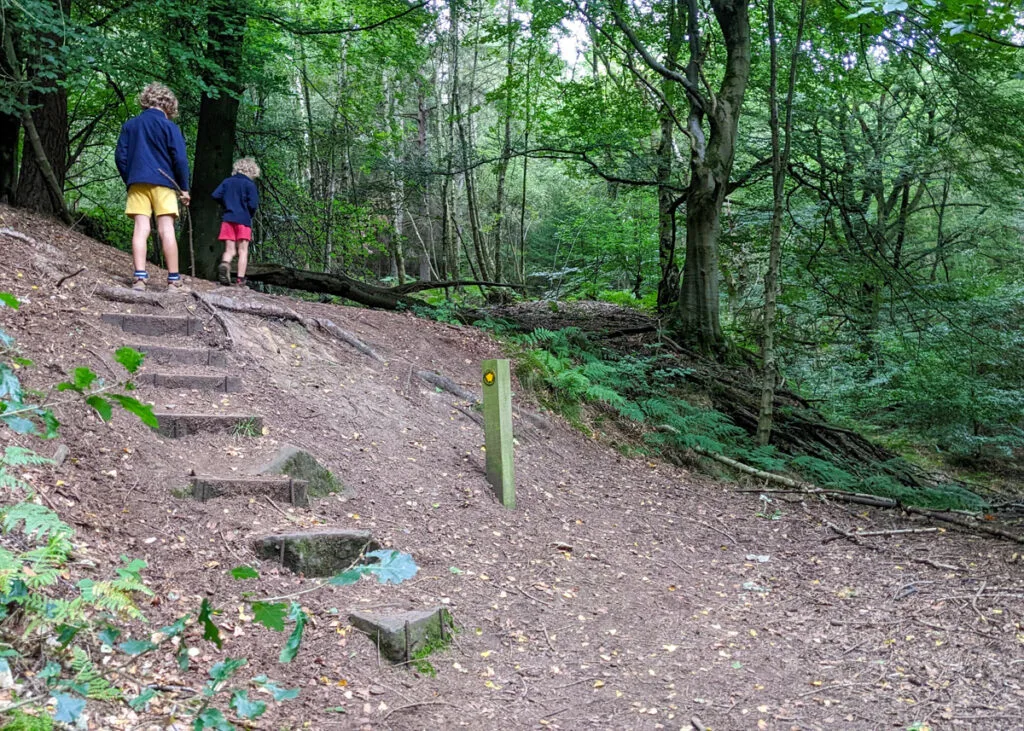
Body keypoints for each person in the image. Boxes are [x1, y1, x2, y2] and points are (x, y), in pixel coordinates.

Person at [114, 82, 191, 292]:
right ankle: (173, 280)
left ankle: (139, 278)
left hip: (137, 183)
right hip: (164, 184)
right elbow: (180, 160)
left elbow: (120, 157)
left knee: (141, 228)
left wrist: (130, 179)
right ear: (169, 106)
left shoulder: (130, 125)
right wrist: (183, 188)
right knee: (166, 229)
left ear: (146, 101)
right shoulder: (169, 127)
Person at [212, 158, 260, 287]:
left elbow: (216, 195)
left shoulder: (227, 182)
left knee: (230, 250)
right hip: (243, 220)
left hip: (228, 219)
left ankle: (225, 264)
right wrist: (249, 214)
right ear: (252, 171)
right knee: (243, 251)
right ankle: (240, 280)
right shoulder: (250, 185)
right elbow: (253, 204)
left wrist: (226, 205)